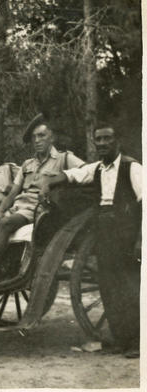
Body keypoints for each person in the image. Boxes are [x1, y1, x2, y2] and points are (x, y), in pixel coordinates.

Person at [40, 125, 141, 358]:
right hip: (104, 233)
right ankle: (120, 340)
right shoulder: (96, 168)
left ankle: (137, 343)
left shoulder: (132, 167)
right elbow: (72, 175)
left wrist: (140, 241)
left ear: (117, 140)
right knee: (108, 287)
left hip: (126, 234)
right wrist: (48, 184)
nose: (103, 143)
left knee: (128, 287)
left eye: (107, 138)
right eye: (99, 139)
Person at [0, 113, 84, 279]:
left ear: (51, 138)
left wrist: (60, 184)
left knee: (5, 224)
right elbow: (12, 194)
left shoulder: (64, 158)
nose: (37, 140)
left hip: (41, 210)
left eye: (41, 136)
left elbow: (86, 171)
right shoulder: (27, 165)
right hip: (17, 208)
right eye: (34, 137)